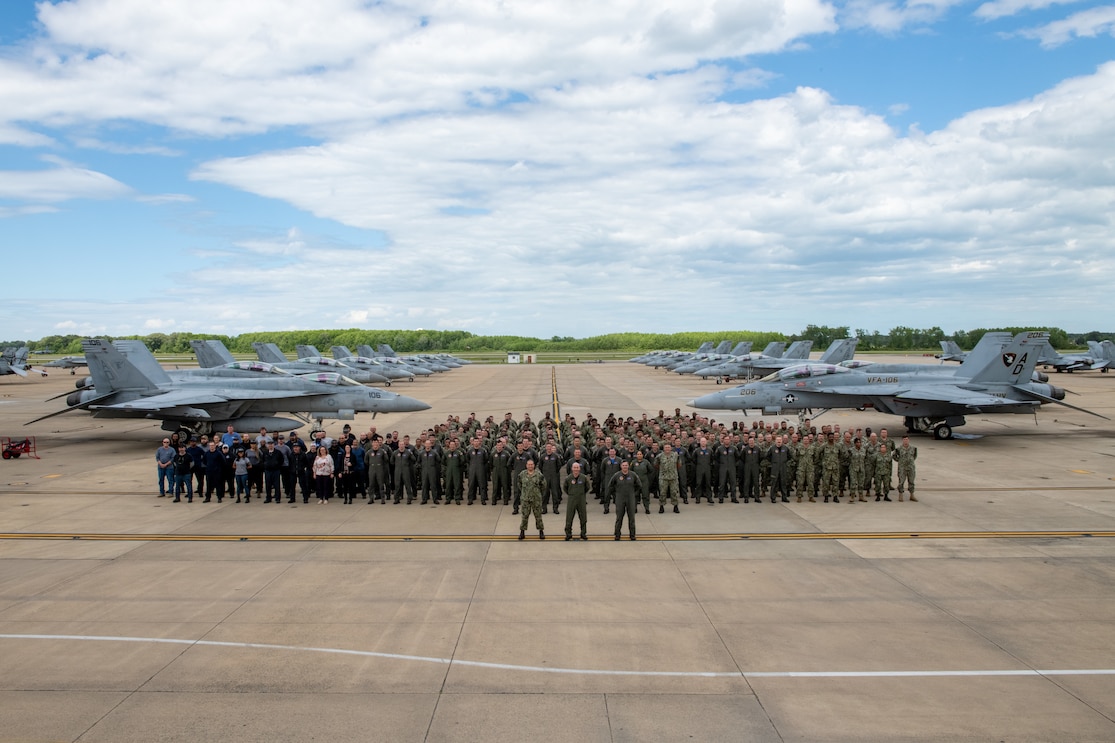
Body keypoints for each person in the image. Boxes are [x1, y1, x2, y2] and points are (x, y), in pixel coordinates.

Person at [607, 460, 643, 540]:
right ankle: (617, 534)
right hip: (620, 499)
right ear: (621, 466)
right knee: (619, 517)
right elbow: (610, 486)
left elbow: (639, 485)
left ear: (628, 466)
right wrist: (615, 495)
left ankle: (632, 535)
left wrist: (634, 493)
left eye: (626, 465)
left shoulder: (633, 475)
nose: (625, 467)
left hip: (630, 499)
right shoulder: (616, 475)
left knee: (632, 518)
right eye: (623, 465)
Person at [517, 459, 547, 540]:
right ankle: (522, 532)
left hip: (536, 499)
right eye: (529, 465)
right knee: (524, 516)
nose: (530, 466)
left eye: (531, 464)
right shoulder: (522, 474)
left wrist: (538, 494)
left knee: (538, 516)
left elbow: (543, 486)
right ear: (526, 465)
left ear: (534, 465)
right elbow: (519, 484)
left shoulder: (538, 474)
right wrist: (525, 492)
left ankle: (541, 532)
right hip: (525, 499)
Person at [562, 462, 592, 540]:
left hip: (581, 499)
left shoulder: (584, 478)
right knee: (569, 517)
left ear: (579, 469)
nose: (576, 469)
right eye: (574, 468)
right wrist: (571, 493)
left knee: (583, 517)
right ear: (572, 469)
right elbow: (565, 488)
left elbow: (587, 487)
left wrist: (581, 493)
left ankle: (583, 533)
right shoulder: (568, 478)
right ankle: (568, 534)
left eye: (577, 468)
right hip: (571, 499)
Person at [654, 442, 681, 513]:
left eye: (668, 447)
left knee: (674, 492)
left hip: (673, 477)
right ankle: (661, 506)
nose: (667, 449)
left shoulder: (675, 455)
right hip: (663, 477)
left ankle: (675, 506)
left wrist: (674, 471)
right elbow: (656, 465)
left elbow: (679, 464)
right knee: (662, 492)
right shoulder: (659, 456)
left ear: (671, 448)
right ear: (663, 449)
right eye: (666, 447)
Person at [893, 436, 919, 502]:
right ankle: (901, 495)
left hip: (911, 468)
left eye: (907, 439)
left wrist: (911, 461)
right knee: (901, 481)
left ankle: (912, 495)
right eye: (904, 440)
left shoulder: (913, 448)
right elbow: (894, 456)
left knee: (911, 481)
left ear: (909, 440)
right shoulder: (899, 449)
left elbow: (915, 456)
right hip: (902, 468)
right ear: (902, 440)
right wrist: (900, 461)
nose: (905, 441)